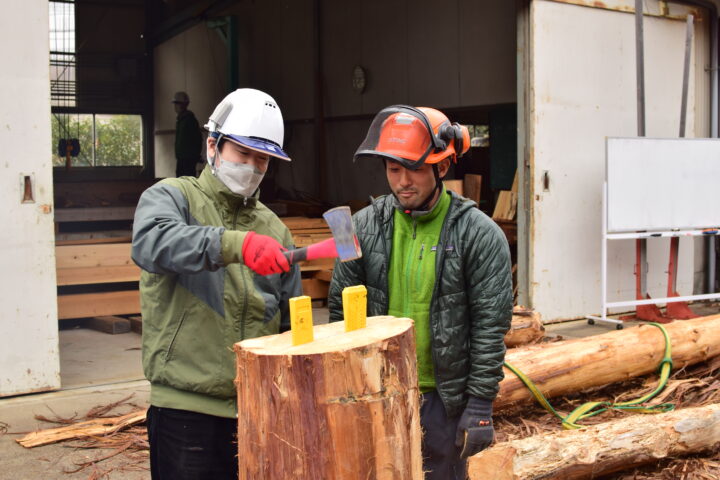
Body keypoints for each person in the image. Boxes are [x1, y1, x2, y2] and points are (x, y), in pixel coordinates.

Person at [328, 105, 512, 479]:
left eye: (413, 169)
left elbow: (490, 327)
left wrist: (479, 404)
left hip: (442, 402)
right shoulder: (358, 227)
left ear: (441, 167)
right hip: (374, 392)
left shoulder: (479, 234)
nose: (402, 182)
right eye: (393, 170)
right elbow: (339, 311)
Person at [132, 88, 301, 480]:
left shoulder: (275, 228)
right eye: (243, 154)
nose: (253, 167)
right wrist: (233, 244)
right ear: (213, 146)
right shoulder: (173, 197)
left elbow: (291, 322)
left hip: (256, 409)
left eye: (263, 159)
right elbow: (151, 243)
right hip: (185, 409)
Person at [172, 91, 203, 177]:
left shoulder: (189, 120)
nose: (175, 106)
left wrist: (195, 155)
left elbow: (197, 139)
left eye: (176, 103)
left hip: (187, 160)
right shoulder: (181, 120)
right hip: (182, 158)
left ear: (182, 105)